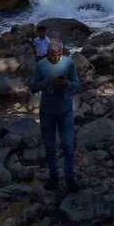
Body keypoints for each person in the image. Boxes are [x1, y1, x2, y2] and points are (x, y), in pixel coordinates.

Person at [28, 39, 80, 193]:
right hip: (47, 112)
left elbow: (77, 83)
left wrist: (68, 84)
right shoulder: (41, 65)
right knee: (50, 146)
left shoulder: (69, 63)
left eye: (58, 54)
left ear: (62, 52)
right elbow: (32, 87)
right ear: (47, 53)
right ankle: (54, 177)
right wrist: (47, 82)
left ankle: (70, 178)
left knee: (68, 146)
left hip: (65, 111)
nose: (55, 57)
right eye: (52, 55)